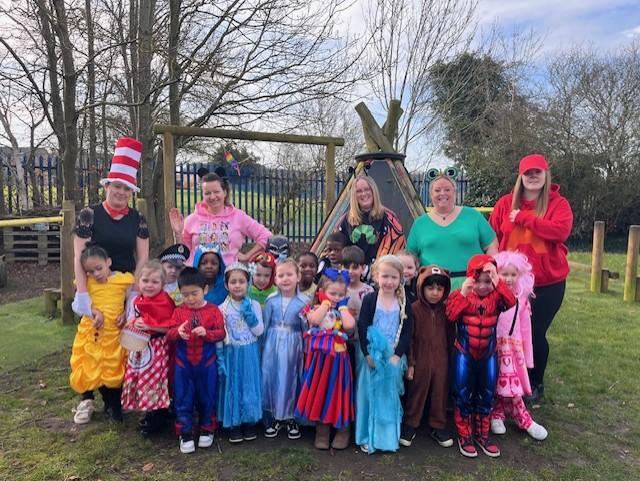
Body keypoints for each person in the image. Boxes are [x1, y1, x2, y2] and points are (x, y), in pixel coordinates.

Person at [489, 154, 573, 402]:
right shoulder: (505, 203)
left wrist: (525, 218)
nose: (533, 176)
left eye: (538, 172)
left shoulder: (558, 204)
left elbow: (560, 231)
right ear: (521, 177)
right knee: (505, 331)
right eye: (528, 173)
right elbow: (492, 236)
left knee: (535, 332)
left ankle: (535, 382)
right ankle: (505, 378)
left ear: (546, 175)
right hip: (509, 284)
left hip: (547, 283)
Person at [446, 254, 516, 458]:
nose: (483, 286)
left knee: (487, 394)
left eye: (488, 281)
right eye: (479, 281)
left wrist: (497, 280)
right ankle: (464, 435)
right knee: (462, 394)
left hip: (488, 353)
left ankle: (482, 435)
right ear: (470, 279)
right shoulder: (462, 295)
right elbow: (451, 315)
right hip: (464, 352)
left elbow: (511, 302)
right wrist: (464, 292)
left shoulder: (497, 297)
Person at [72, 137, 149, 315]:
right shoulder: (88, 215)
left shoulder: (138, 218)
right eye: (117, 186)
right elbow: (79, 256)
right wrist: (82, 294)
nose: (121, 192)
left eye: (127, 188)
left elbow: (143, 258)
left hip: (125, 286)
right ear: (107, 186)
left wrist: (133, 291)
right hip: (96, 285)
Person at [69, 244, 135, 424]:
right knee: (87, 364)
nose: (96, 274)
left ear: (109, 262)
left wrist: (125, 314)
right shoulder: (87, 284)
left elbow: (132, 300)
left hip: (113, 334)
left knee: (113, 367)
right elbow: (76, 305)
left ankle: (113, 404)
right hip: (92, 333)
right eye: (90, 271)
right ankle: (86, 400)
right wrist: (92, 311)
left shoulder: (123, 281)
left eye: (99, 268)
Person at [355, 255, 413, 454]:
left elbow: (407, 331)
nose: (389, 281)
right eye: (385, 276)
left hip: (392, 355)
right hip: (372, 354)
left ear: (400, 279)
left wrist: (397, 355)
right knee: (369, 394)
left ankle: (386, 437)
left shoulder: (403, 301)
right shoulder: (370, 299)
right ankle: (366, 435)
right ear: (376, 276)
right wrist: (367, 354)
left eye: (394, 277)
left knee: (388, 395)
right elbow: (363, 326)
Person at [166, 267, 226, 453]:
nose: (190, 299)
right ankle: (185, 432)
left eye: (194, 294)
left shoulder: (213, 310)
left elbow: (221, 333)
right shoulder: (178, 312)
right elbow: (169, 334)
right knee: (183, 397)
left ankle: (208, 428)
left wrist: (207, 333)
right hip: (183, 365)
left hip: (206, 364)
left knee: (208, 396)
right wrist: (178, 332)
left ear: (205, 290)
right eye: (185, 295)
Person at [295, 269, 356, 450]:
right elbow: (314, 321)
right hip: (320, 361)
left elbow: (349, 326)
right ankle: (322, 431)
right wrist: (325, 303)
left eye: (340, 294)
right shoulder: (314, 308)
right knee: (320, 393)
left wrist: (342, 307)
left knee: (339, 394)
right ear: (321, 291)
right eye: (332, 293)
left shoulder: (344, 311)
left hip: (339, 362)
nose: (336, 297)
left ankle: (343, 430)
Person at [491, 251, 548, 441]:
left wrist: (527, 356)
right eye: (504, 274)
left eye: (513, 274)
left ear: (520, 275)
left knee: (512, 385)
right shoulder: (491, 297)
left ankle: (523, 418)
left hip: (513, 351)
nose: (508, 279)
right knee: (496, 383)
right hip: (494, 348)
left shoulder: (522, 301)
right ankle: (497, 413)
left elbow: (525, 330)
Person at [407, 170, 498, 289]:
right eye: (437, 190)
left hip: (472, 284)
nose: (442, 193)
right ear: (430, 195)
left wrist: (489, 272)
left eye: (447, 190)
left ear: (455, 192)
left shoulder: (473, 216)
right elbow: (411, 255)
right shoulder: (420, 223)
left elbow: (491, 245)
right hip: (433, 287)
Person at [400, 265, 454, 449]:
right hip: (420, 358)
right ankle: (410, 424)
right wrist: (411, 362)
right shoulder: (414, 309)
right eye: (430, 288)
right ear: (421, 287)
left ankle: (438, 425)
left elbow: (451, 336)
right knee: (417, 390)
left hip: (441, 359)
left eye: (439, 289)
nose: (435, 293)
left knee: (440, 392)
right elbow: (410, 338)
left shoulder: (446, 311)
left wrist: (451, 361)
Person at [169, 172, 272, 267]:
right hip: (197, 276)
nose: (212, 197)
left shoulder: (238, 216)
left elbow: (266, 237)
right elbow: (184, 252)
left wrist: (247, 256)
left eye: (216, 192)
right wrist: (178, 234)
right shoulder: (192, 219)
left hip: (227, 276)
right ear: (203, 195)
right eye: (207, 193)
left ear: (225, 192)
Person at [121, 260, 176, 436]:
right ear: (139, 281)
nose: (149, 285)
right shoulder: (137, 300)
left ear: (162, 283)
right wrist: (133, 323)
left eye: (154, 282)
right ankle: (147, 409)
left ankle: (158, 413)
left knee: (156, 380)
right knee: (142, 379)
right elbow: (132, 317)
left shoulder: (165, 301)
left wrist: (150, 326)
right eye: (145, 281)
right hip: (139, 345)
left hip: (157, 347)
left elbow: (170, 326)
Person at [217, 263, 264, 443]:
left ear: (248, 283)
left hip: (249, 352)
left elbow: (259, 331)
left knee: (248, 385)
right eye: (233, 282)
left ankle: (249, 421)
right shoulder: (223, 308)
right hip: (232, 353)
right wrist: (220, 357)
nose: (237, 285)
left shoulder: (253, 304)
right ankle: (234, 423)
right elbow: (221, 334)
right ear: (226, 284)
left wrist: (250, 316)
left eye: (241, 281)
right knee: (233, 385)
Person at [261, 259, 308, 440]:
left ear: (298, 277)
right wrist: (262, 346)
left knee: (290, 377)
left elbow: (306, 327)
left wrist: (306, 348)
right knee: (271, 376)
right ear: (275, 279)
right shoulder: (271, 301)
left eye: (289, 274)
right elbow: (265, 324)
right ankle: (273, 416)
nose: (285, 279)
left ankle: (290, 417)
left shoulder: (303, 301)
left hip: (293, 344)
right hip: (272, 343)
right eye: (281, 275)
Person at [336, 175, 406, 276]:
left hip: (381, 275)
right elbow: (336, 248)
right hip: (352, 275)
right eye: (359, 191)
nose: (363, 194)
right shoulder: (345, 220)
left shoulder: (389, 218)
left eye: (367, 189)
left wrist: (374, 270)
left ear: (373, 191)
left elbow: (397, 250)